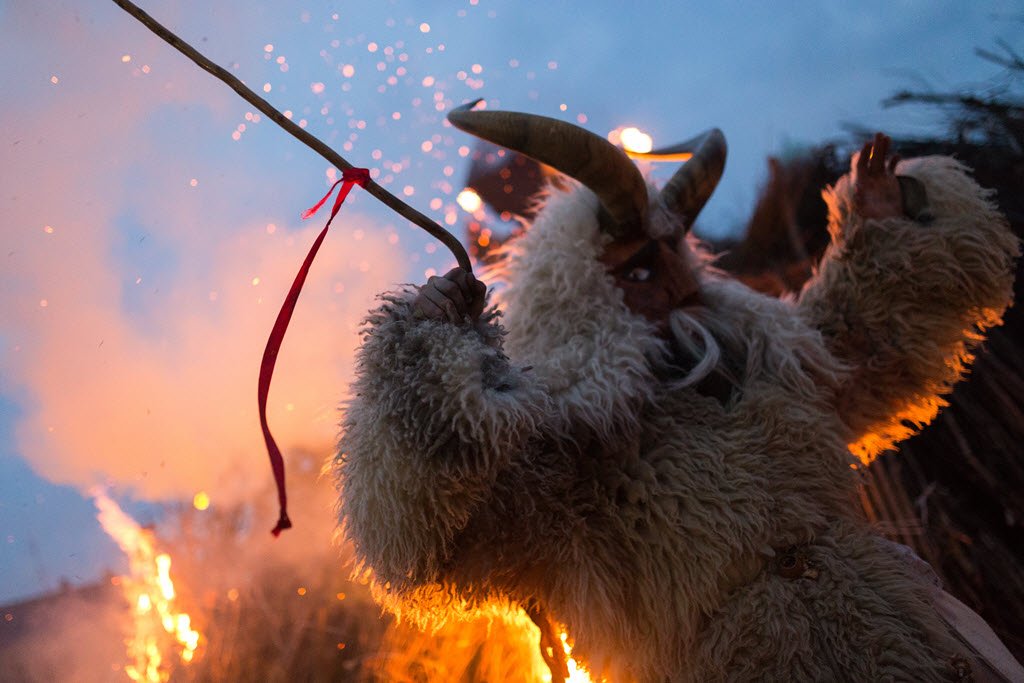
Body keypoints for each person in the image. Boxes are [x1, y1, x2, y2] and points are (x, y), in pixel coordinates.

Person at [334, 106, 1021, 682]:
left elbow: (865, 345)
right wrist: (424, 367)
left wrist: (887, 232)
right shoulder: (564, 448)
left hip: (894, 645)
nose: (676, 280)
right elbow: (427, 538)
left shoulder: (765, 362)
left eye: (675, 253)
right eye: (638, 267)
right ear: (582, 294)